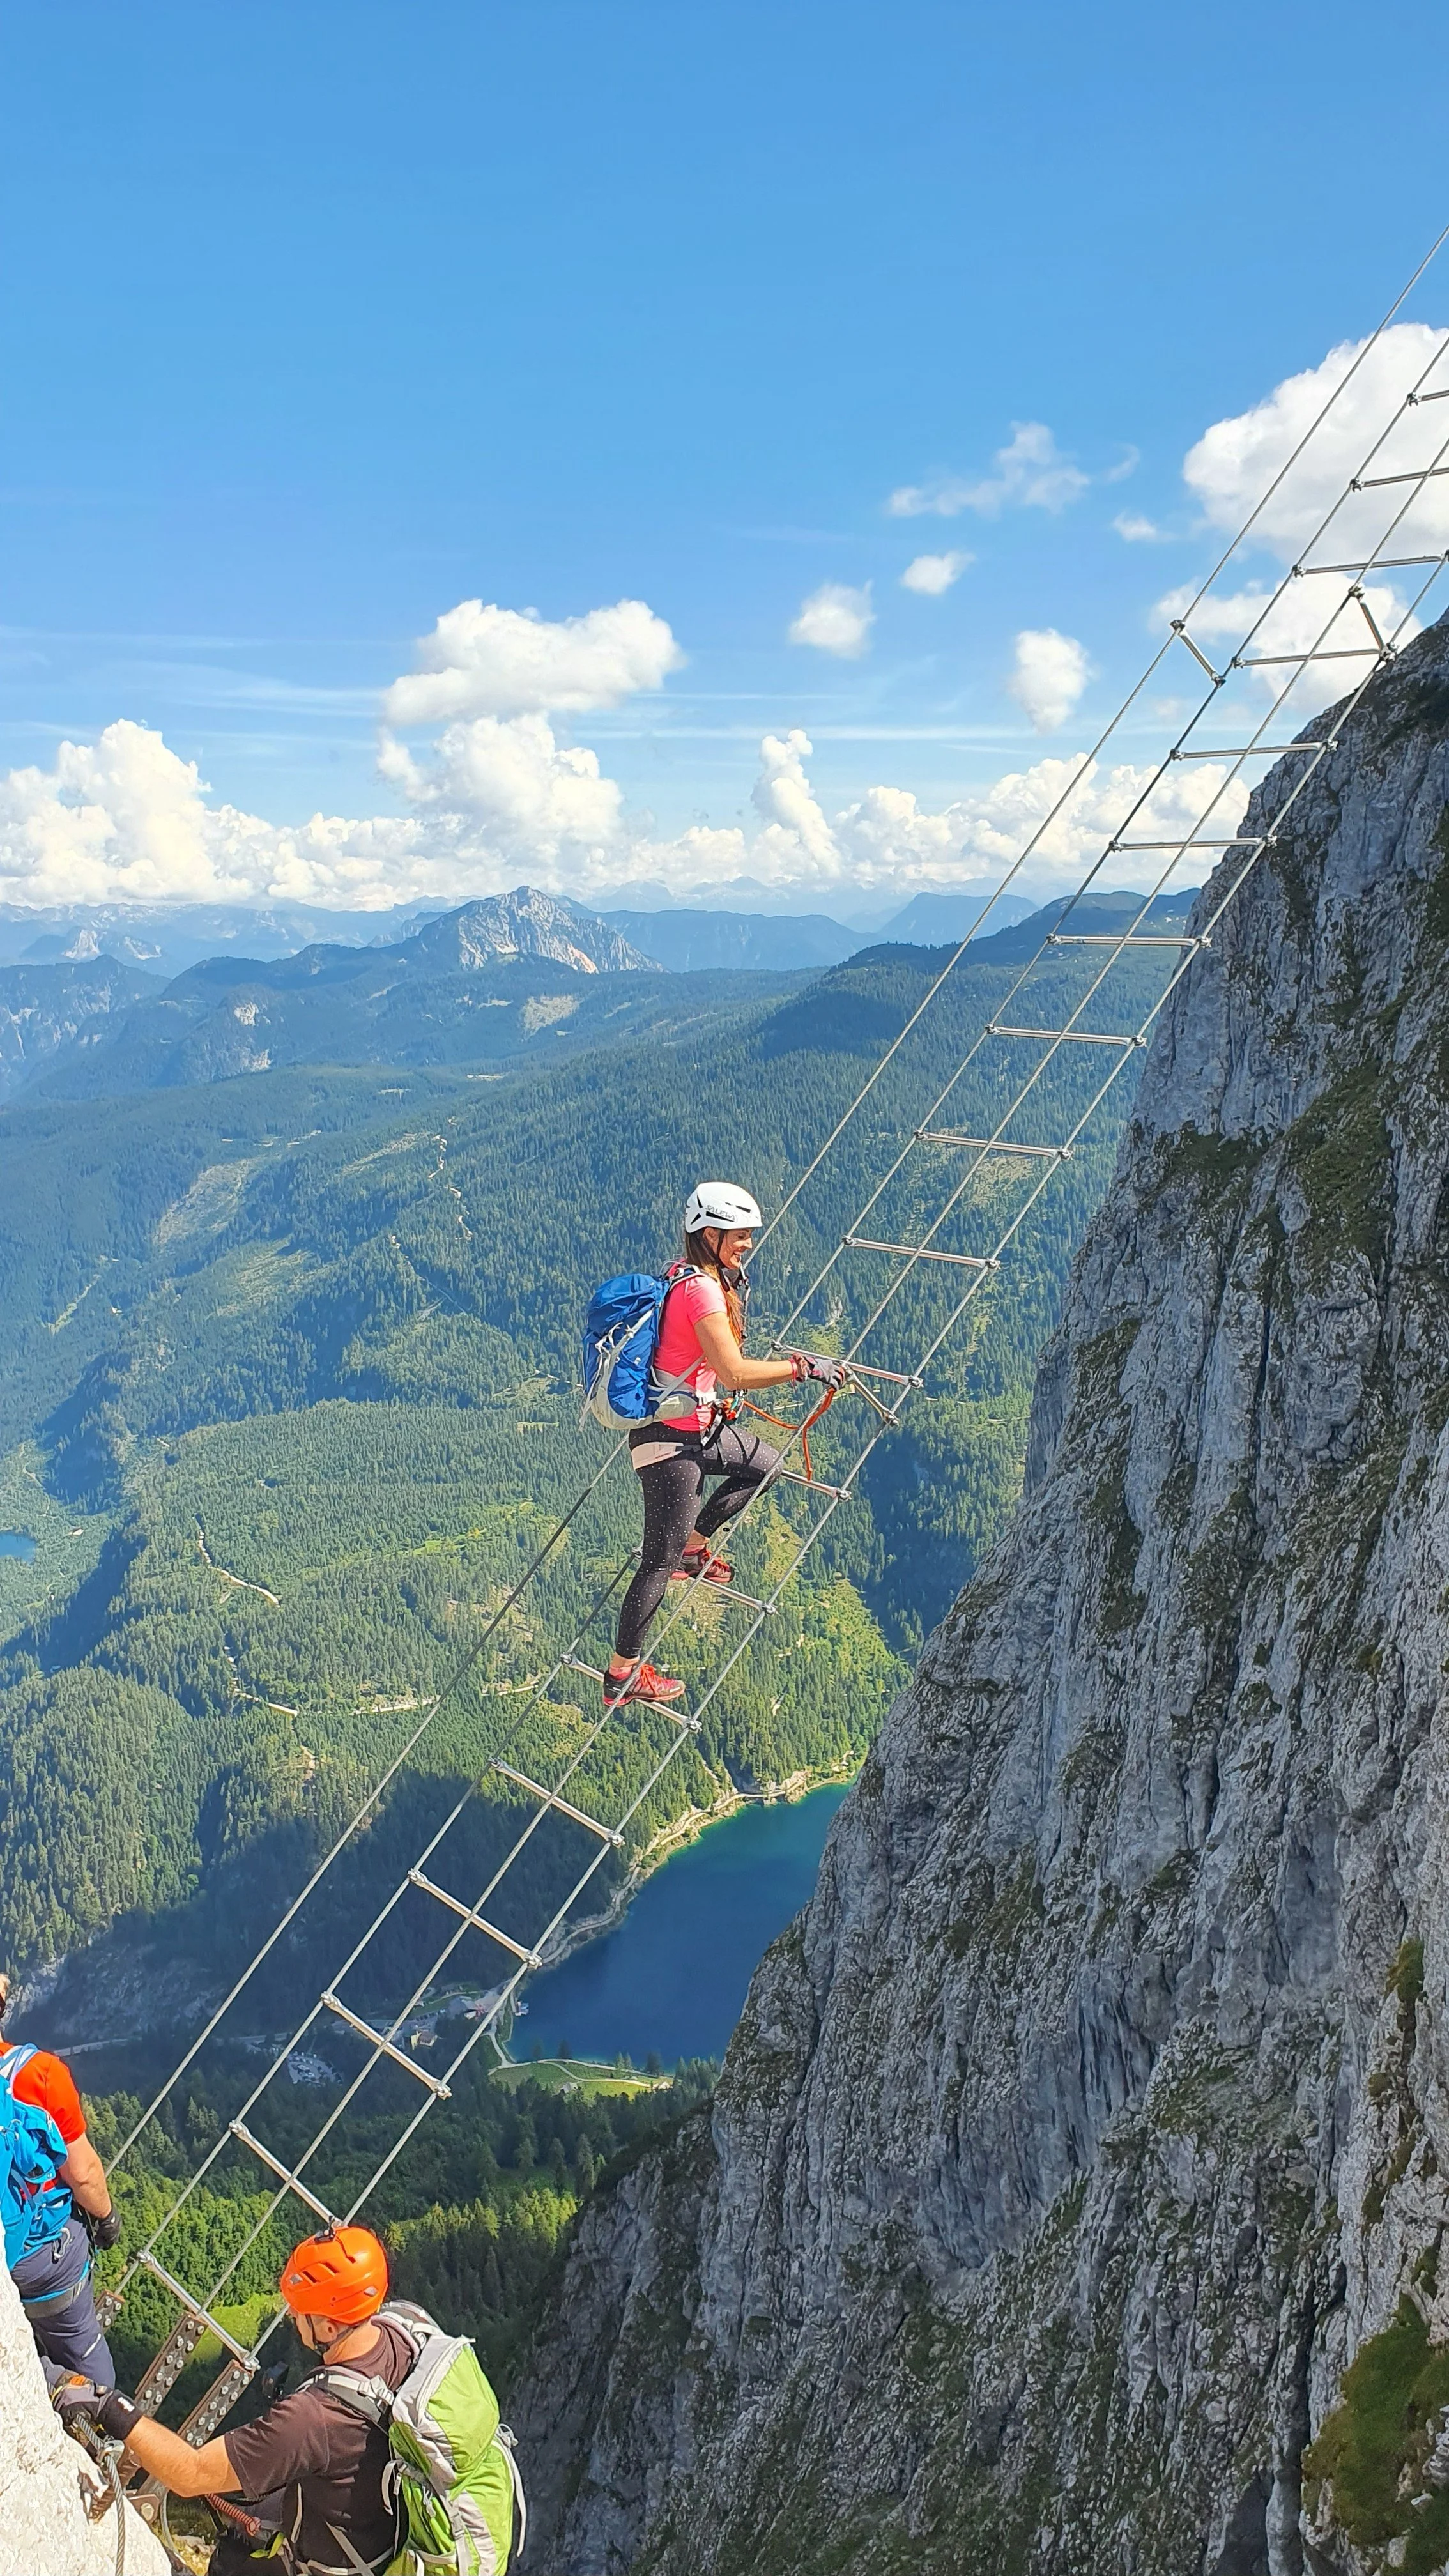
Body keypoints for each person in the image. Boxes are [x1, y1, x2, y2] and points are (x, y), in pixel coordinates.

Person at [602, 1181, 845, 1709]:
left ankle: (696, 1543)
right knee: (657, 1563)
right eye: (739, 1236)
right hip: (670, 1444)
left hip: (696, 1431)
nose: (747, 1245)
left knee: (767, 1466)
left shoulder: (685, 1275)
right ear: (710, 1234)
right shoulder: (702, 1291)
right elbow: (734, 1373)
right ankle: (622, 1675)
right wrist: (802, 1368)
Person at [55, 2224, 410, 2574]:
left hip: (335, 2562)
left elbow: (190, 2474)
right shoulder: (405, 2331)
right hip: (382, 2533)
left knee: (235, 2558)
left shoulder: (312, 2418)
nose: (290, 2315)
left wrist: (108, 2405)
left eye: (299, 2311)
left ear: (329, 2328)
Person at [0, 1971, 121, 2389]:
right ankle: (104, 2419)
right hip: (37, 2259)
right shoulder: (39, 2075)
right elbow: (83, 2175)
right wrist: (107, 2220)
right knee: (80, 2341)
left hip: (5, 2263)